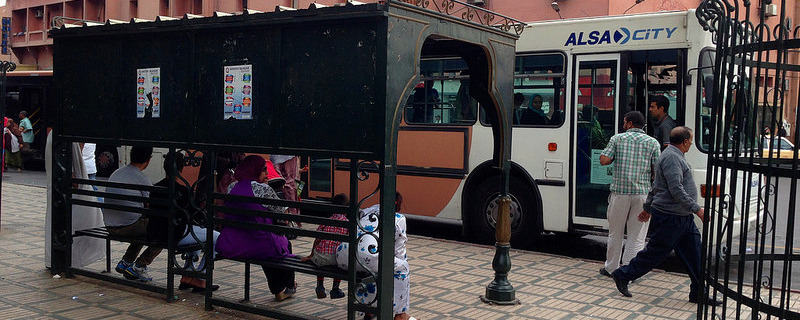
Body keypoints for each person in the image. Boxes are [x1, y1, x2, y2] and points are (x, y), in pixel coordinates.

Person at [611, 127, 722, 306]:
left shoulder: (674, 155)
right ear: (685, 141)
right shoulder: (671, 157)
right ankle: (623, 274)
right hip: (672, 217)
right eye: (691, 140)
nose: (691, 144)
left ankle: (698, 293)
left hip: (682, 217)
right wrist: (697, 209)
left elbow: (656, 186)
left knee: (696, 255)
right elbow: (675, 188)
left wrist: (647, 208)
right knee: (655, 252)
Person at [216, 155, 297, 301]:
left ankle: (280, 287)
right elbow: (281, 213)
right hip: (257, 244)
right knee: (281, 243)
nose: (267, 174)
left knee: (269, 242)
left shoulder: (232, 187)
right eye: (264, 170)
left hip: (232, 244)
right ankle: (285, 288)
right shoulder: (262, 189)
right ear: (254, 170)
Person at [598, 111, 660, 278]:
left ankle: (610, 268)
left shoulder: (617, 139)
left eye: (625, 122)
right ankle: (628, 272)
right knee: (636, 236)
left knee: (615, 232)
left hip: (620, 194)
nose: (623, 125)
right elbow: (657, 172)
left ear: (630, 123)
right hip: (642, 195)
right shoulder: (653, 143)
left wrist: (613, 157)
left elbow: (604, 160)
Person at [338, 193, 417, 320]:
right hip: (366, 258)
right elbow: (399, 251)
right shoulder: (398, 218)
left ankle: (369, 310)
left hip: (343, 256)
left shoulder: (368, 211)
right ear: (397, 204)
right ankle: (400, 315)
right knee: (401, 267)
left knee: (375, 267)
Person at [149, 152, 220, 292]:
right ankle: (200, 278)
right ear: (180, 169)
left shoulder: (155, 188)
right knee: (216, 237)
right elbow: (192, 216)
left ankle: (187, 275)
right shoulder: (182, 190)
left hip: (156, 232)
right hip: (174, 234)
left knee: (196, 235)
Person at [44, 131, 106, 268]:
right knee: (79, 222)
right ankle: (69, 260)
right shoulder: (64, 139)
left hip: (57, 195)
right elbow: (73, 178)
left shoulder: (54, 136)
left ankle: (57, 260)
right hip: (66, 198)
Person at [103, 146, 161, 282]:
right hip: (128, 228)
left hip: (109, 226)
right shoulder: (142, 178)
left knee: (143, 224)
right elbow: (150, 205)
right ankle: (140, 265)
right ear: (148, 160)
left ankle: (127, 262)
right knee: (163, 232)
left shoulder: (116, 173)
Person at [301, 193, 349, 299]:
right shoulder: (347, 224)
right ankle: (335, 289)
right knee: (339, 259)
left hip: (319, 259)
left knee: (321, 257)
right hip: (336, 261)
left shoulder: (326, 221)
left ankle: (320, 286)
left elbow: (317, 239)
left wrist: (311, 255)